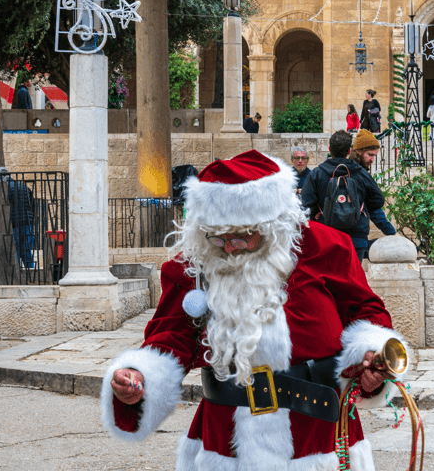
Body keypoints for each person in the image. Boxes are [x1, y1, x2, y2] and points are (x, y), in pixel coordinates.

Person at [101, 150, 408, 470]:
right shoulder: (195, 265)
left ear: (273, 223)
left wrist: (371, 357)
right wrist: (140, 376)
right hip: (226, 438)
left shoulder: (325, 247)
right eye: (217, 237)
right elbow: (170, 337)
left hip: (319, 433)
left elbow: (366, 310)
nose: (229, 247)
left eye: (243, 236)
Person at [302, 130, 388, 261]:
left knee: (330, 273)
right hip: (356, 237)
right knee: (354, 273)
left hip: (326, 236)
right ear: (349, 151)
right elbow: (378, 200)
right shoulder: (361, 173)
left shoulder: (316, 173)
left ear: (329, 149)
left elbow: (306, 204)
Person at [348, 131, 397, 248]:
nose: (372, 160)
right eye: (370, 155)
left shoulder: (343, 169)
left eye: (374, 156)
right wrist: (392, 233)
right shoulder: (360, 176)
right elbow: (374, 209)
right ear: (358, 151)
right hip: (356, 236)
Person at [7, 177, 35, 269]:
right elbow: (33, 204)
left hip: (14, 222)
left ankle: (16, 272)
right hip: (28, 221)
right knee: (27, 249)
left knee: (15, 249)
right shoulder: (24, 186)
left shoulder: (5, 187)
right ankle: (31, 271)